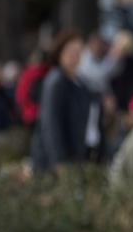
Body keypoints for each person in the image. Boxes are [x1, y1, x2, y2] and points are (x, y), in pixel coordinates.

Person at [31, 31, 97, 171]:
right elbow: (50, 123)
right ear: (60, 52)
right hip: (54, 161)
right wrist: (59, 161)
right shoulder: (56, 80)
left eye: (79, 51)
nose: (75, 56)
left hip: (77, 155)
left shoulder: (81, 83)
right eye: (71, 51)